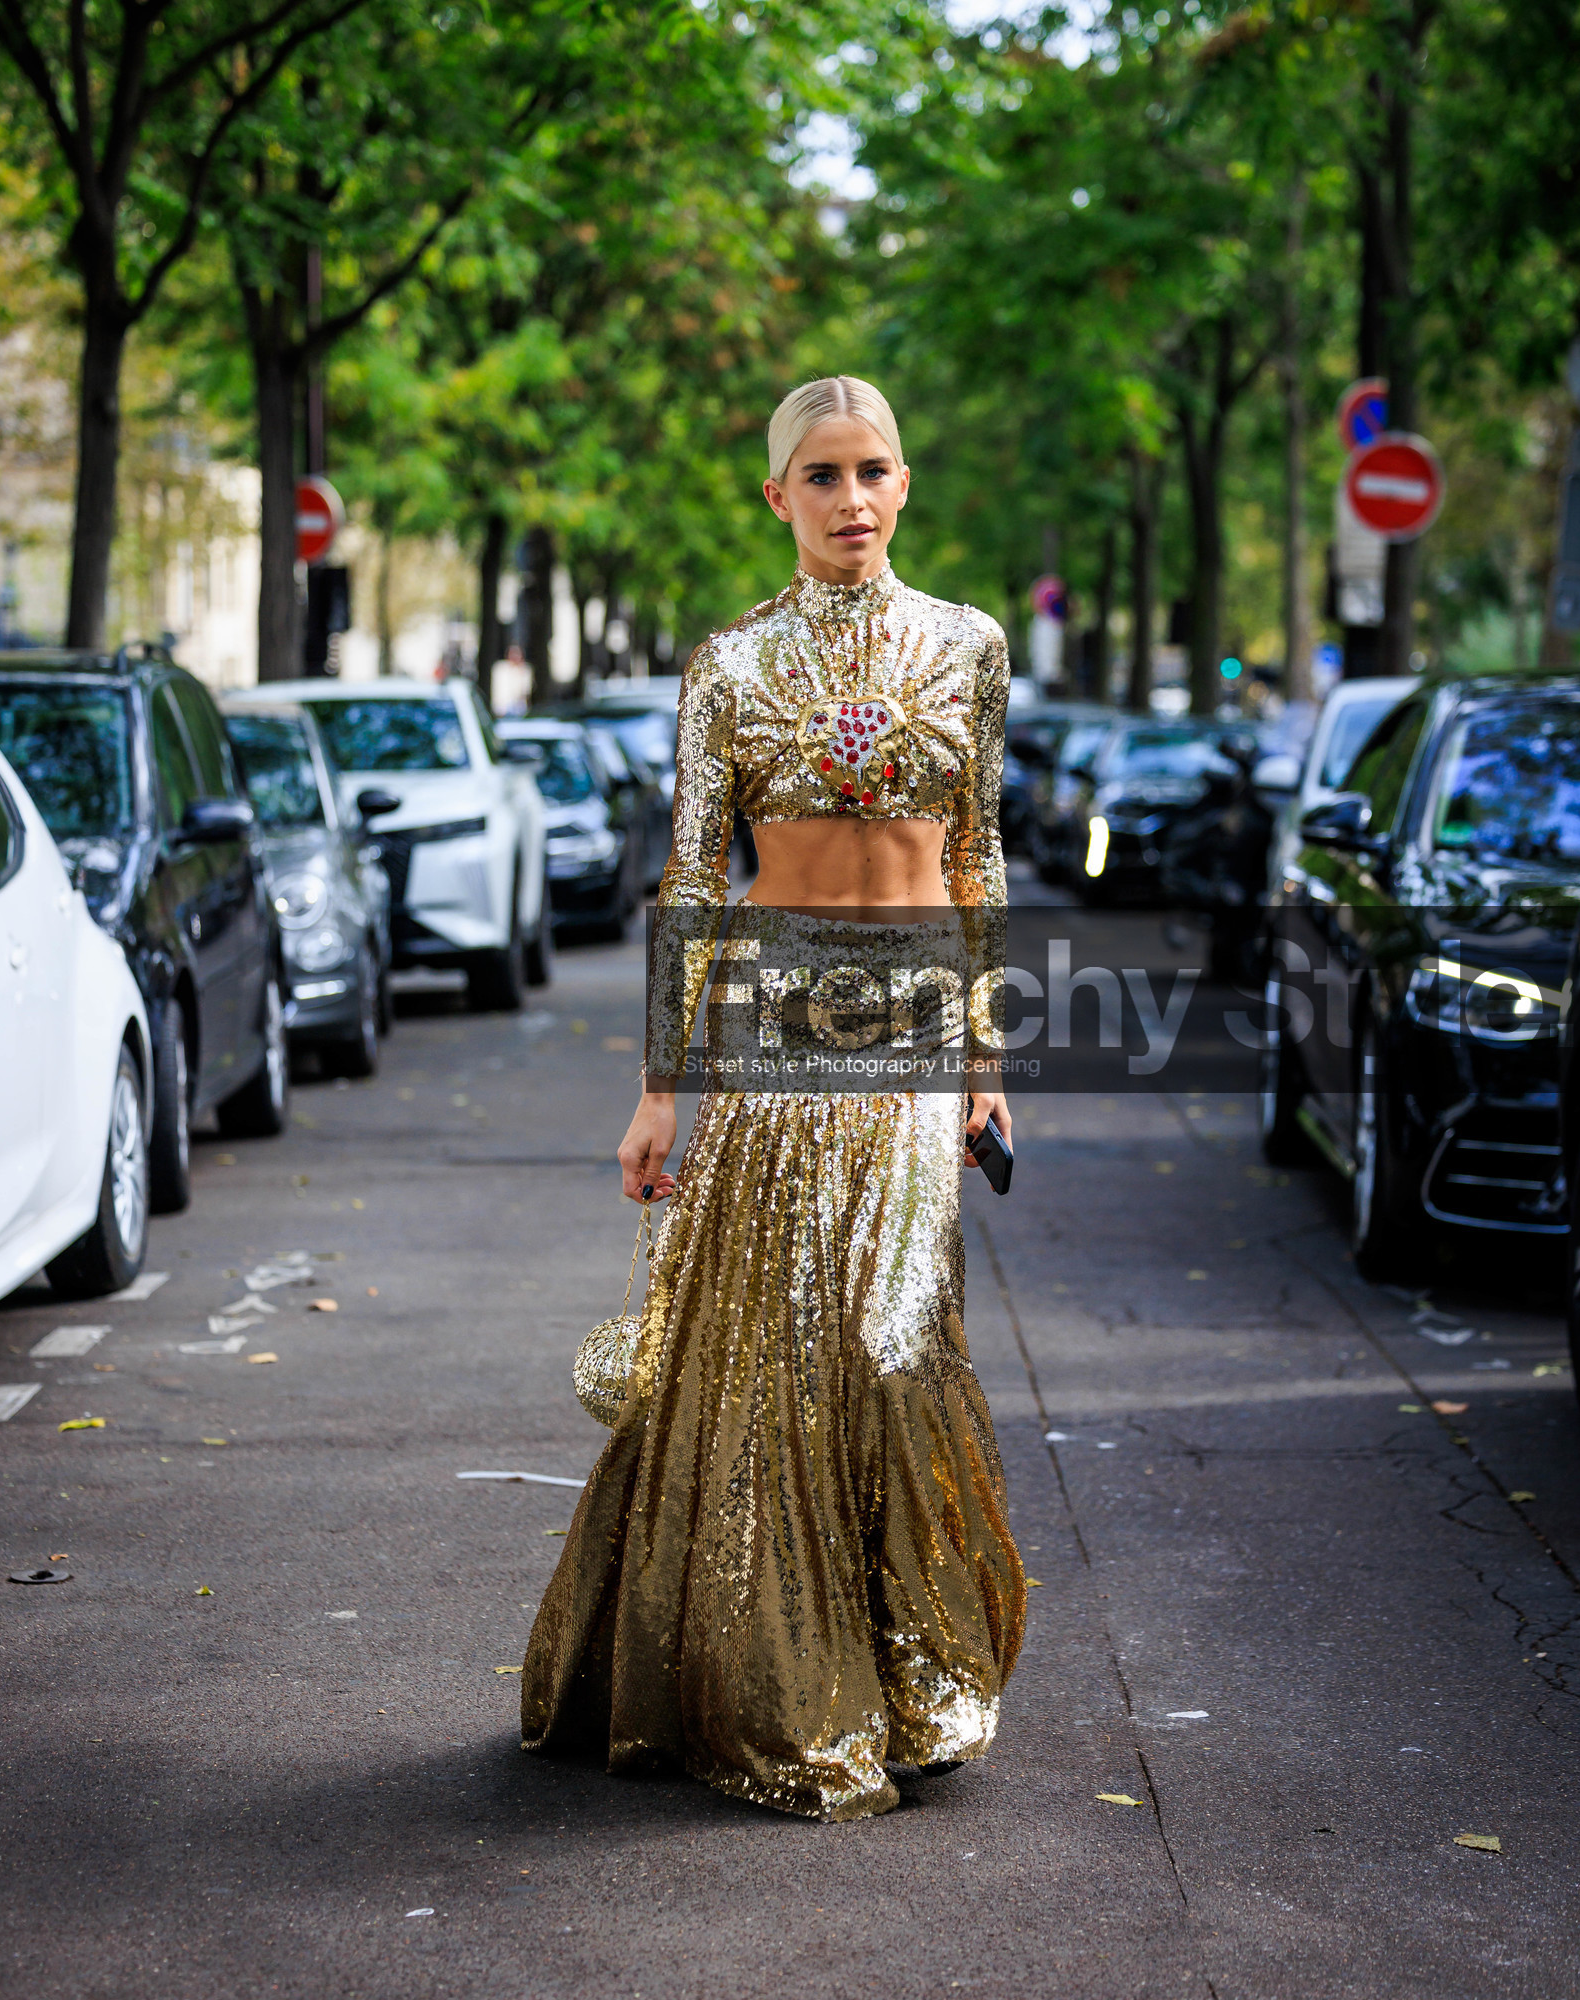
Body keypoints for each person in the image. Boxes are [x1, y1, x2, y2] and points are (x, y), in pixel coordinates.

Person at [518, 374, 1026, 1821]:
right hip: (779, 1023)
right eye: (822, 475)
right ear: (779, 496)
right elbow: (692, 883)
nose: (851, 498)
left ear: (906, 485)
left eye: (874, 470)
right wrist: (660, 1089)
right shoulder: (727, 667)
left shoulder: (971, 646)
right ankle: (778, 1678)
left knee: (889, 1342)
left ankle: (917, 1675)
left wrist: (987, 1062)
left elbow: (978, 862)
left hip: (921, 1032)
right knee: (778, 1348)